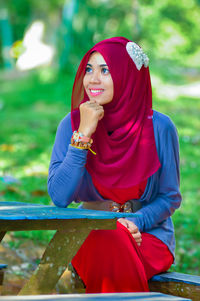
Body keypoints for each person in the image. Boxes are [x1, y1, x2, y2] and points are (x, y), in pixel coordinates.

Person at [48, 37, 181, 293]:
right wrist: (83, 135)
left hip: (147, 238)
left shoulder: (160, 128)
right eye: (89, 69)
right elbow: (59, 196)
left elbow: (169, 197)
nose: (93, 79)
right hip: (90, 232)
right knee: (105, 239)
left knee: (112, 247)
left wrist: (137, 221)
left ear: (128, 75)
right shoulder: (71, 125)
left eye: (105, 70)